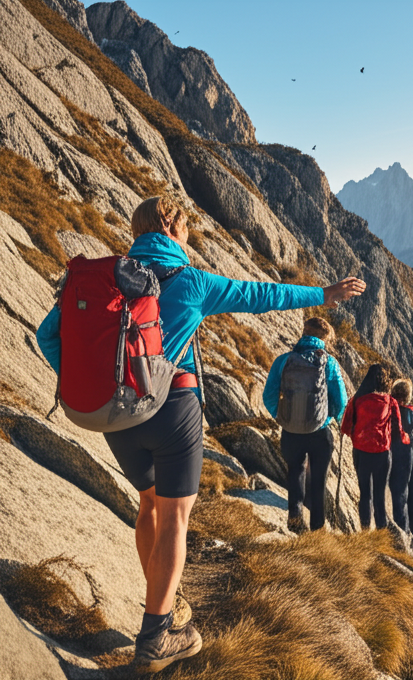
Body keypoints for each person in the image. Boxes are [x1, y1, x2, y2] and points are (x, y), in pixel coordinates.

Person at [35, 196, 365, 673]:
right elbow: (260, 296)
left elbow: (49, 336)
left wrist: (93, 381)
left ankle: (163, 602)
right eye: (186, 224)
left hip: (118, 417)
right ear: (170, 224)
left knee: (148, 507)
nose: (189, 233)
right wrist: (323, 295)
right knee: (175, 517)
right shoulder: (190, 281)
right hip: (174, 410)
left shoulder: (106, 277)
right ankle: (156, 634)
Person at [262, 317, 347, 534]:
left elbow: (269, 394)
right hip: (319, 432)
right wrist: (329, 419)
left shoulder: (284, 360)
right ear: (324, 338)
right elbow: (340, 401)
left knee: (295, 474)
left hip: (290, 430)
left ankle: (295, 523)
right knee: (319, 480)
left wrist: (282, 416)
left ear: (304, 332)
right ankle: (317, 529)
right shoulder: (330, 363)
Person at [339, 364, 408, 530]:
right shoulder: (390, 402)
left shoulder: (356, 400)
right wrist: (405, 439)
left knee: (365, 494)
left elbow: (345, 427)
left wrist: (359, 434)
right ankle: (381, 533)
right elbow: (399, 430)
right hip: (382, 454)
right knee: (379, 496)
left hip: (361, 452)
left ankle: (364, 529)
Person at [387, 379, 413, 539]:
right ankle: (403, 530)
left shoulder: (388, 407)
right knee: (402, 490)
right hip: (405, 452)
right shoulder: (410, 412)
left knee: (390, 487)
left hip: (388, 449)